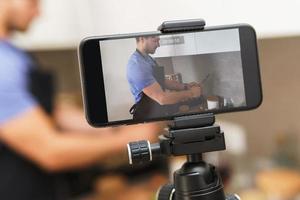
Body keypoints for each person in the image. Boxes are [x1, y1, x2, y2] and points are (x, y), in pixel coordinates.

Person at [0, 1, 163, 200]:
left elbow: (51, 111)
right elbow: (49, 151)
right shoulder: (2, 65)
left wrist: (114, 129)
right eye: (32, 2)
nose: (38, 13)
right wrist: (125, 139)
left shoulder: (12, 54)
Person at [127, 35, 202, 120]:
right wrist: (191, 93)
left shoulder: (148, 59)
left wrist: (184, 86)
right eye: (155, 41)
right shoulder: (137, 65)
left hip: (157, 111)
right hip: (146, 117)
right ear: (142, 38)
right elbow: (162, 98)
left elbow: (162, 81)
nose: (158, 45)